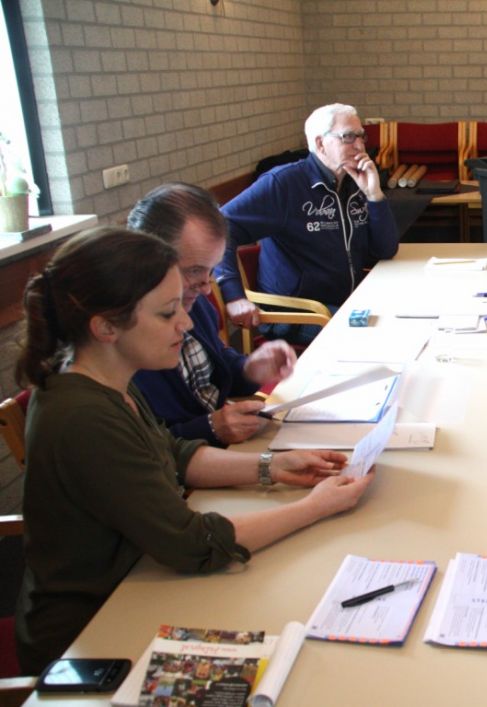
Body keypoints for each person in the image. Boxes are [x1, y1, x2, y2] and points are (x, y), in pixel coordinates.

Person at [14, 227, 375, 673]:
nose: (185, 323)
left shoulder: (106, 379)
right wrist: (314, 507)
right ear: (106, 326)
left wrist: (273, 465)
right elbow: (192, 543)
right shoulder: (83, 416)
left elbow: (175, 454)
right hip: (90, 634)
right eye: (167, 313)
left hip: (136, 583)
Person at [215, 103, 399, 344]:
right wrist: (233, 295)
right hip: (298, 312)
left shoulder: (354, 181)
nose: (359, 145)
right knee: (377, 339)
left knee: (404, 319)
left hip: (346, 301)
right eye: (348, 137)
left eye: (361, 136)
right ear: (320, 143)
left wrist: (374, 195)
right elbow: (219, 226)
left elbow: (385, 250)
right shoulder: (283, 183)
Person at [128, 183, 295, 446]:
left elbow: (213, 367)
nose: (206, 287)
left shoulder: (194, 302)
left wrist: (249, 369)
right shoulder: (127, 338)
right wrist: (209, 428)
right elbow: (143, 448)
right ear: (149, 259)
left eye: (212, 269)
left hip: (220, 448)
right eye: (194, 270)